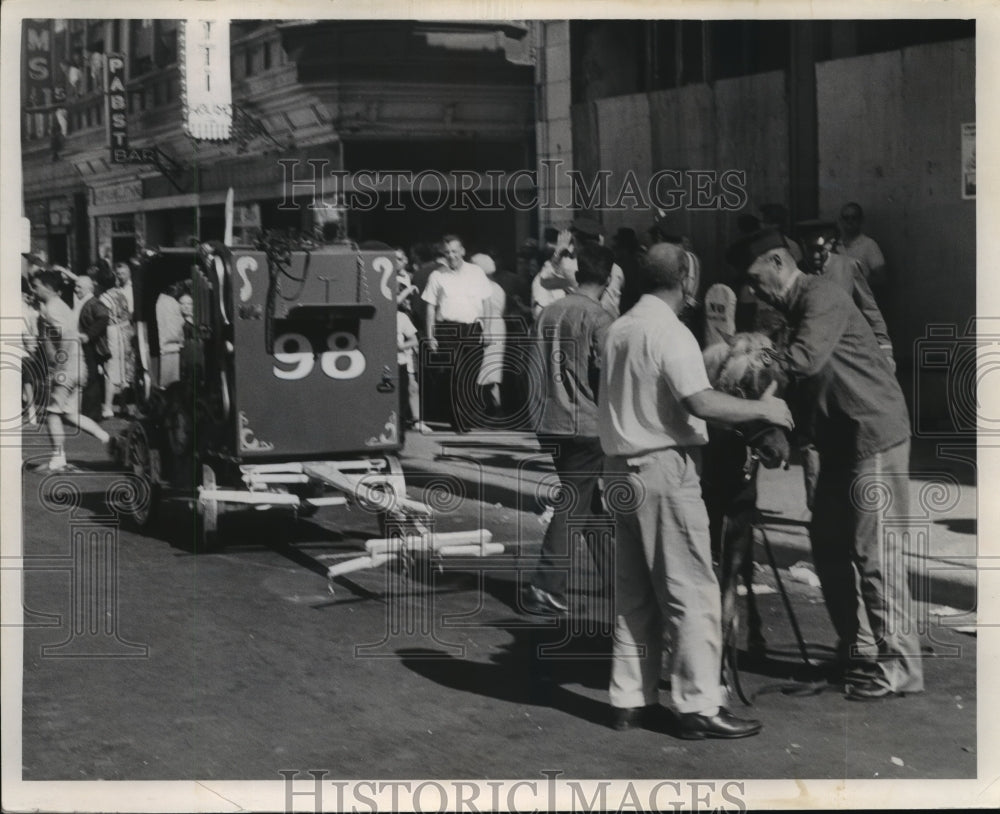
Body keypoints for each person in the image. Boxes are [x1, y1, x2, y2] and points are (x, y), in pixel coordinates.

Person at [598, 242, 793, 739]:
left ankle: (630, 701)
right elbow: (701, 401)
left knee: (633, 595)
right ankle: (699, 707)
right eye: (694, 279)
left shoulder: (618, 328)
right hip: (664, 468)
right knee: (694, 592)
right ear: (685, 279)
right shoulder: (672, 332)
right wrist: (763, 411)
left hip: (618, 470)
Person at [734, 227, 923, 701]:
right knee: (829, 547)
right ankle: (857, 648)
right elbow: (802, 389)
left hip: (873, 433)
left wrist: (747, 368)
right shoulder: (791, 311)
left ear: (777, 262)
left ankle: (900, 665)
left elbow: (803, 363)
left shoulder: (822, 296)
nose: (753, 291)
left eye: (756, 280)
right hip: (839, 442)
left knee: (875, 555)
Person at [523, 244, 616, 616]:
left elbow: (529, 369)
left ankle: (617, 579)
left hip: (551, 421)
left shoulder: (547, 313)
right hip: (586, 424)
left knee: (587, 502)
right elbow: (611, 373)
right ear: (608, 280)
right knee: (575, 501)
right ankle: (546, 585)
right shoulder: (600, 317)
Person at [31, 269, 113, 470]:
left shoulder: (52, 309)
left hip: (66, 368)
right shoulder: (61, 306)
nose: (34, 290)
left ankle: (58, 458)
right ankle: (106, 438)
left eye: (36, 286)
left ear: (48, 288)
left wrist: (58, 366)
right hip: (77, 366)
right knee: (68, 414)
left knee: (52, 412)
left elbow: (66, 336)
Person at [421, 235, 492, 432]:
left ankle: (468, 415)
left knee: (471, 373)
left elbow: (486, 302)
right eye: (447, 253)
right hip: (447, 330)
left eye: (454, 251)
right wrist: (430, 336)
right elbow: (430, 307)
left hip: (472, 328)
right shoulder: (437, 276)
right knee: (454, 375)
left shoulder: (476, 272)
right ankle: (458, 420)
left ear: (462, 251)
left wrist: (487, 329)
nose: (451, 256)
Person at [471, 252, 507, 421]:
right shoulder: (498, 287)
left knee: (483, 369)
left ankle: (487, 408)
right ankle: (495, 407)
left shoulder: (483, 289)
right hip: (498, 327)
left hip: (487, 327)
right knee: (493, 370)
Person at [99, 263, 136, 418]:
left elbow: (102, 318)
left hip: (113, 332)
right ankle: (123, 405)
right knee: (125, 370)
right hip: (126, 331)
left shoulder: (104, 297)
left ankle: (107, 406)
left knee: (110, 369)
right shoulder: (120, 294)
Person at [75, 273, 111, 422]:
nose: (76, 289)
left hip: (92, 346)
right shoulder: (86, 301)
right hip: (88, 344)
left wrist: (89, 335)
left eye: (79, 286)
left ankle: (92, 414)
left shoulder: (93, 302)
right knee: (90, 377)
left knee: (92, 377)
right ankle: (89, 413)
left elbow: (104, 317)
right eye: (76, 286)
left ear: (88, 288)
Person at [834, 202, 886, 294]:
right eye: (846, 218)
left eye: (854, 217)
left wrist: (856, 284)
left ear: (861, 220)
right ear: (840, 221)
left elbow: (881, 278)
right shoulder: (834, 245)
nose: (850, 221)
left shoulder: (869, 245)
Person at [156, 282, 186, 388]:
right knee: (173, 384)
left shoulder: (156, 302)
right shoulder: (173, 302)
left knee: (164, 385)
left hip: (162, 347)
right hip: (174, 347)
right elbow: (180, 324)